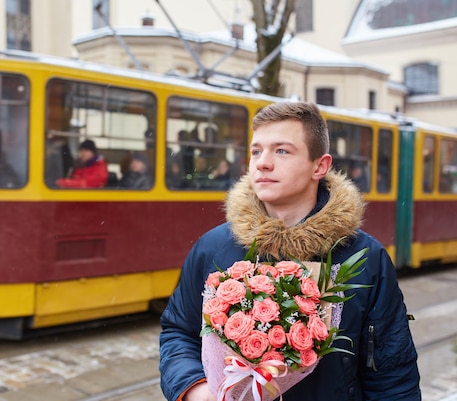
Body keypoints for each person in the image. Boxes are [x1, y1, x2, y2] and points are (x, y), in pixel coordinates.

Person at [159, 102, 420, 401]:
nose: (262, 163)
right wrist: (194, 389)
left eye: (281, 151)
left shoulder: (365, 258)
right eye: (257, 151)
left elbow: (391, 372)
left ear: (319, 166)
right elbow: (178, 330)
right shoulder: (213, 247)